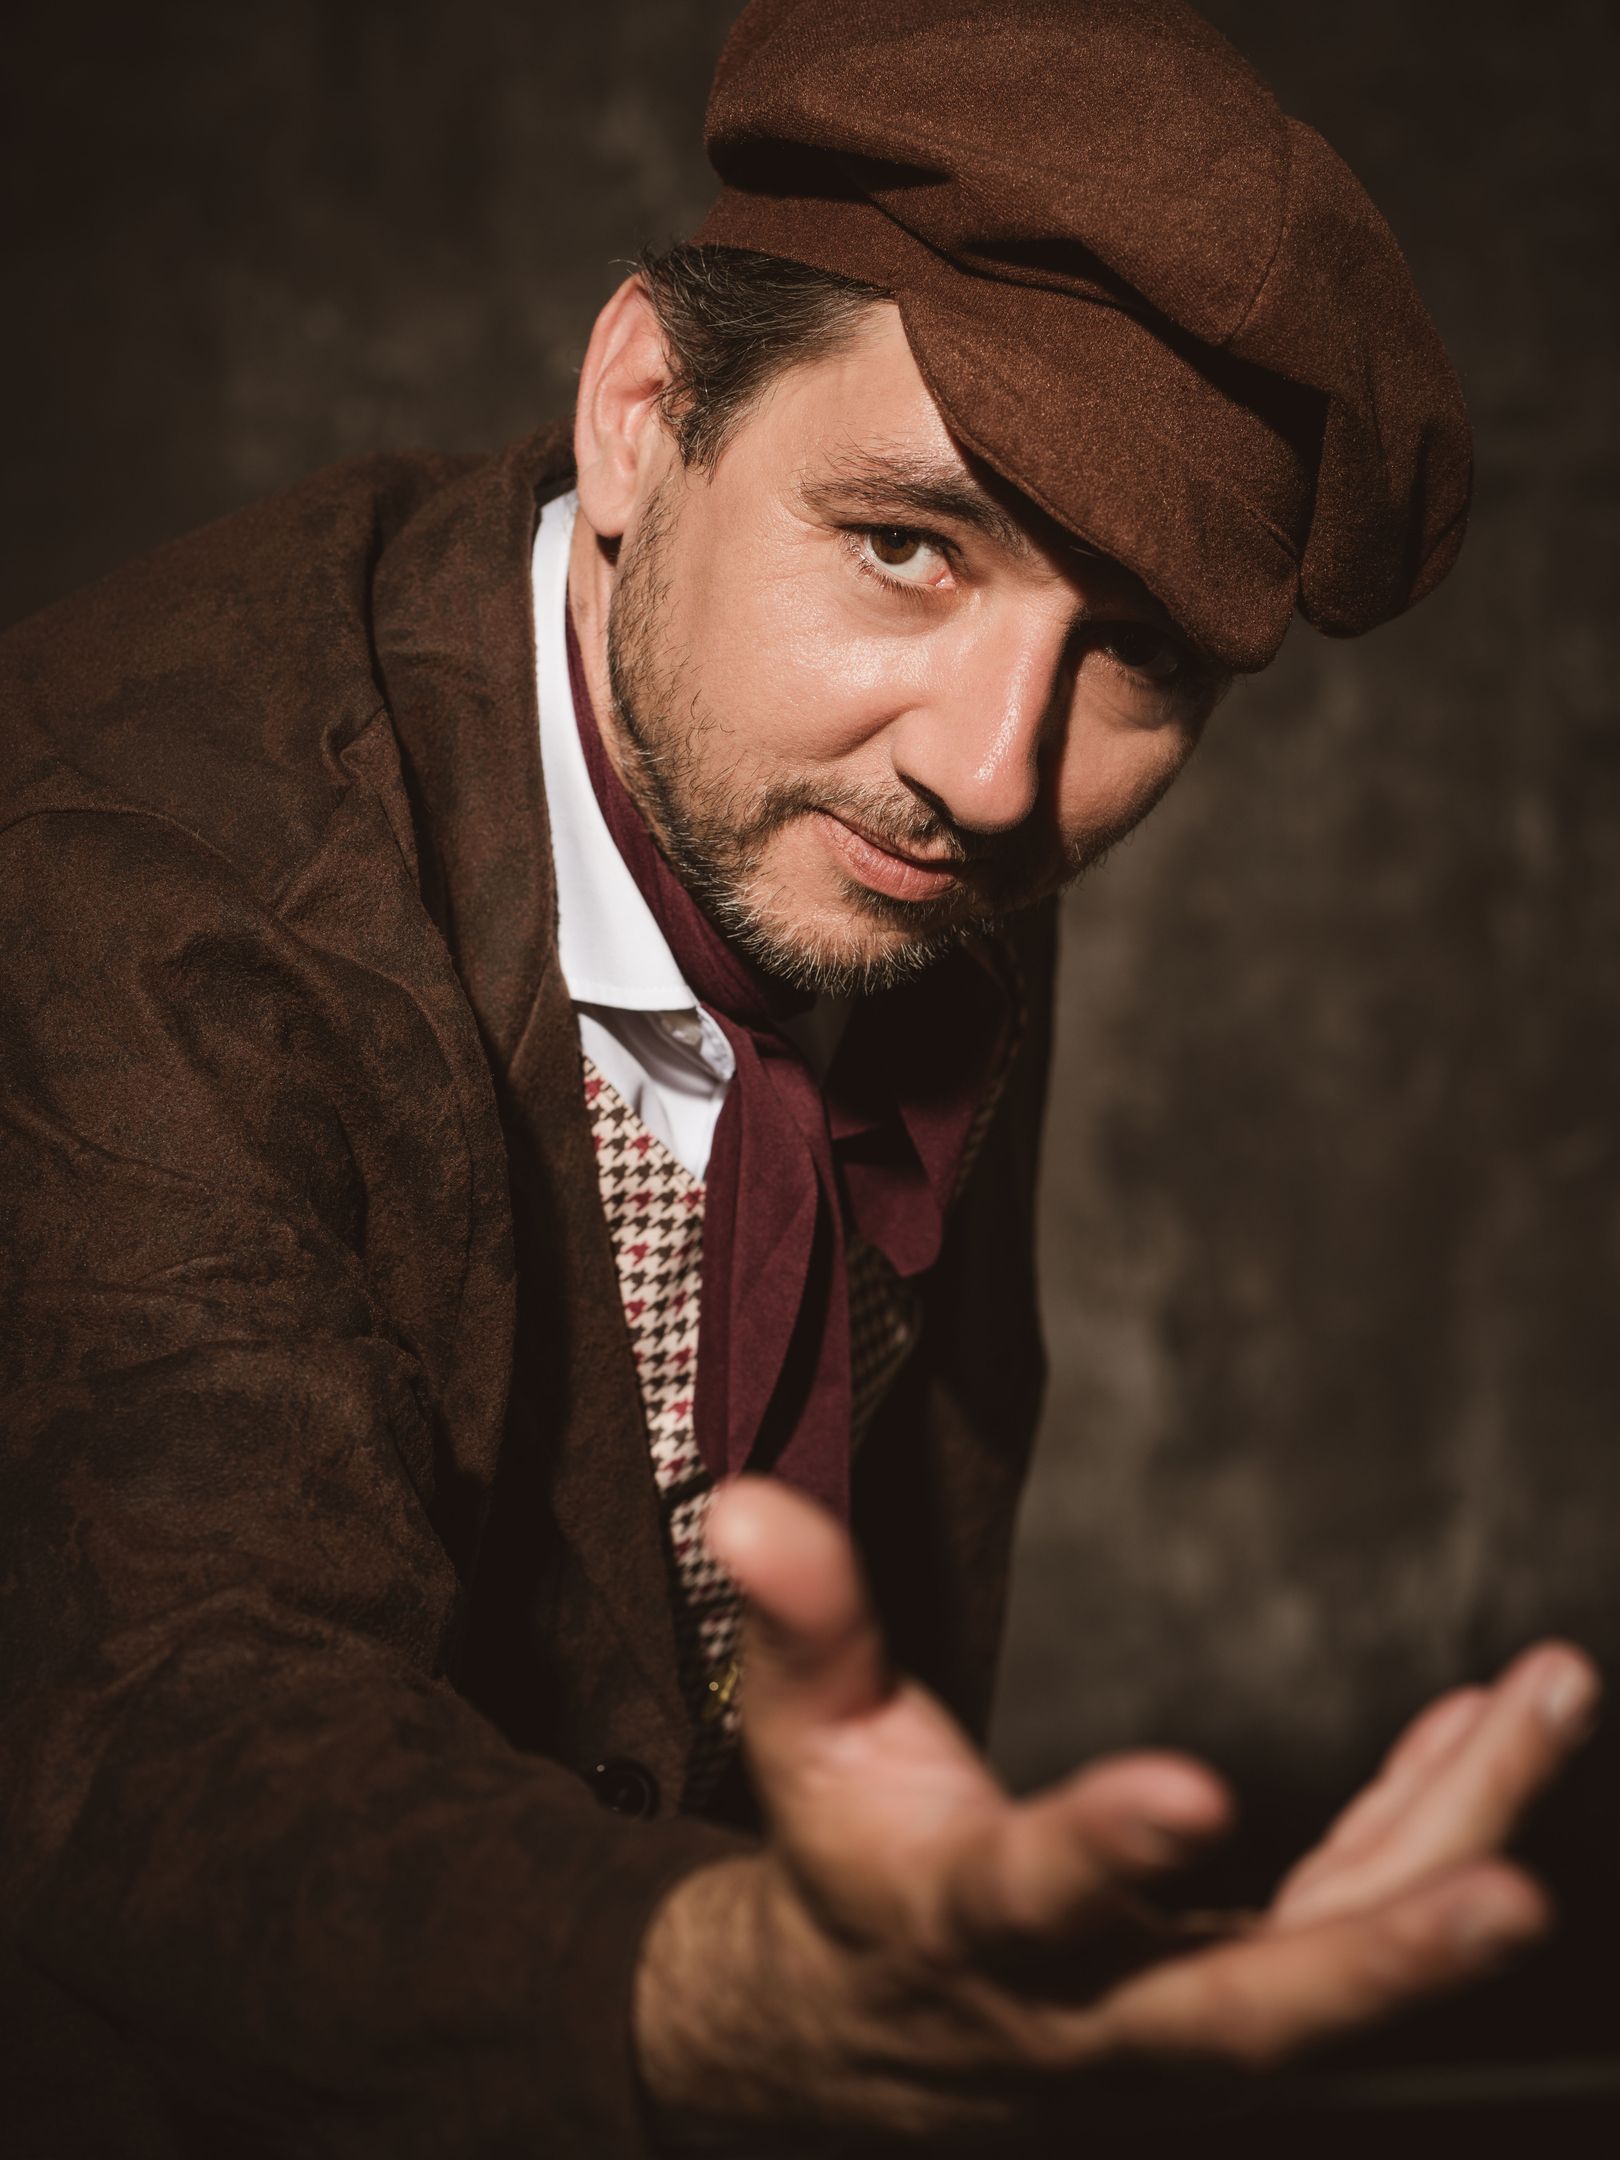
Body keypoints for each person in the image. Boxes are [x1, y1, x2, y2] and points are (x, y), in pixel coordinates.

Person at [0, 0, 1599, 2152]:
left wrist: (964, 1990)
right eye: (908, 545)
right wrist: (738, 1998)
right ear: (643, 413)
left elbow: (857, 1697)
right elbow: (167, 1719)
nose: (996, 770)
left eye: (1134, 652)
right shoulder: (135, 874)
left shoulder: (868, 812)